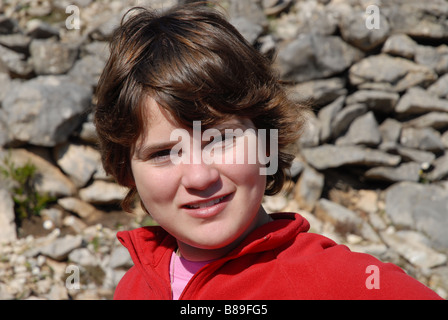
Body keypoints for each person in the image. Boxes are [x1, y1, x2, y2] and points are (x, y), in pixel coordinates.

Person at [94, 3, 442, 300]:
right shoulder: (135, 286)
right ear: (126, 170)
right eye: (164, 153)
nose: (200, 177)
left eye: (219, 139)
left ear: (267, 143)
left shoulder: (337, 282)